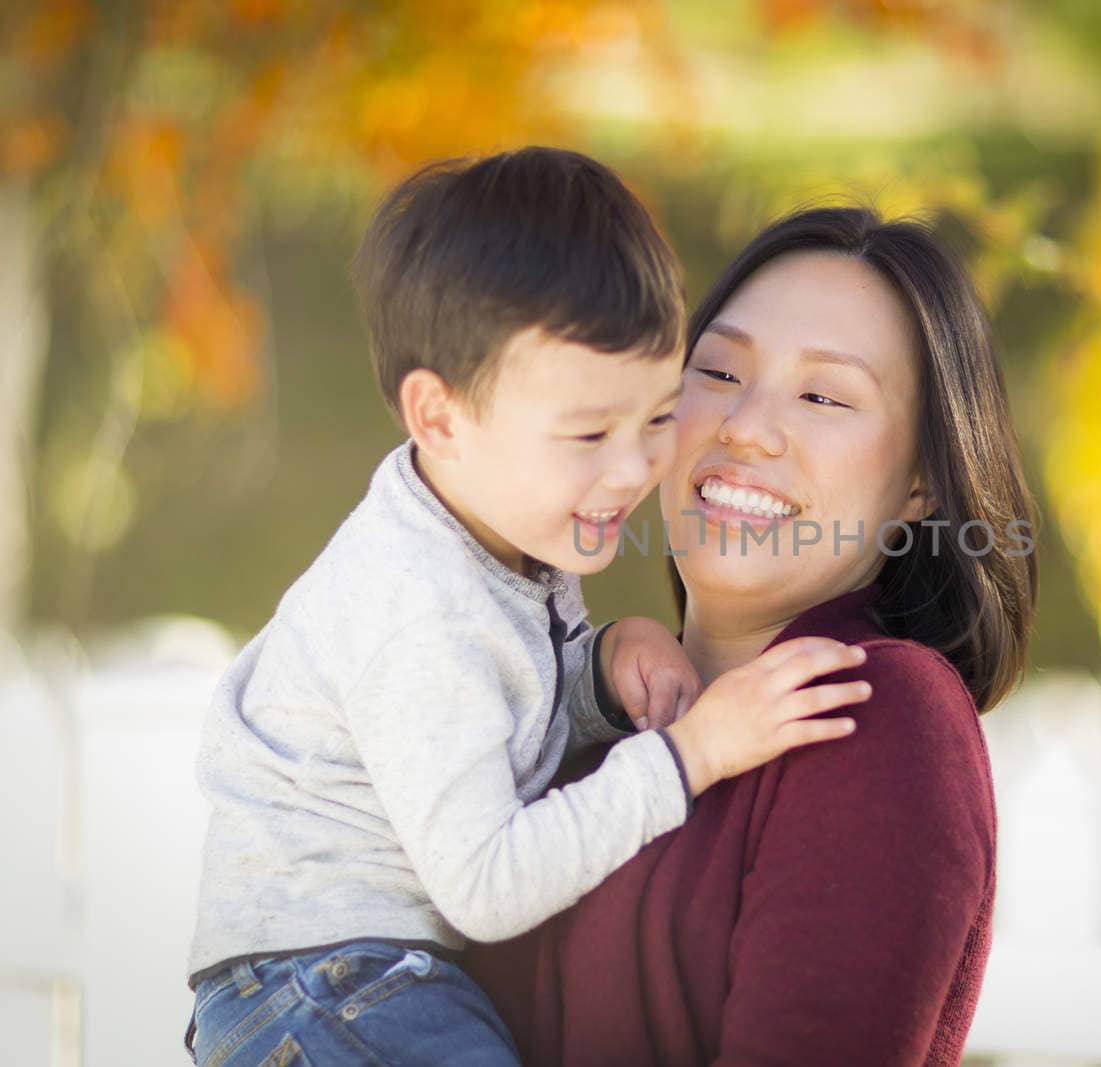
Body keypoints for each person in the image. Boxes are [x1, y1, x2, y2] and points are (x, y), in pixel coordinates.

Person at [183, 150, 868, 1067]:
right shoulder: (419, 609)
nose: (632, 471)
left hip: (357, 980)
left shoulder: (499, 523)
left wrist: (597, 672)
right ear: (442, 419)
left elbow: (497, 706)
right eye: (589, 433)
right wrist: (690, 754)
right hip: (324, 988)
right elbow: (488, 885)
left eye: (659, 417)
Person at [466, 205, 1039, 1065]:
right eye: (721, 373)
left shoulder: (870, 714)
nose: (746, 425)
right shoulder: (574, 713)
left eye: (822, 395)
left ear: (920, 481)